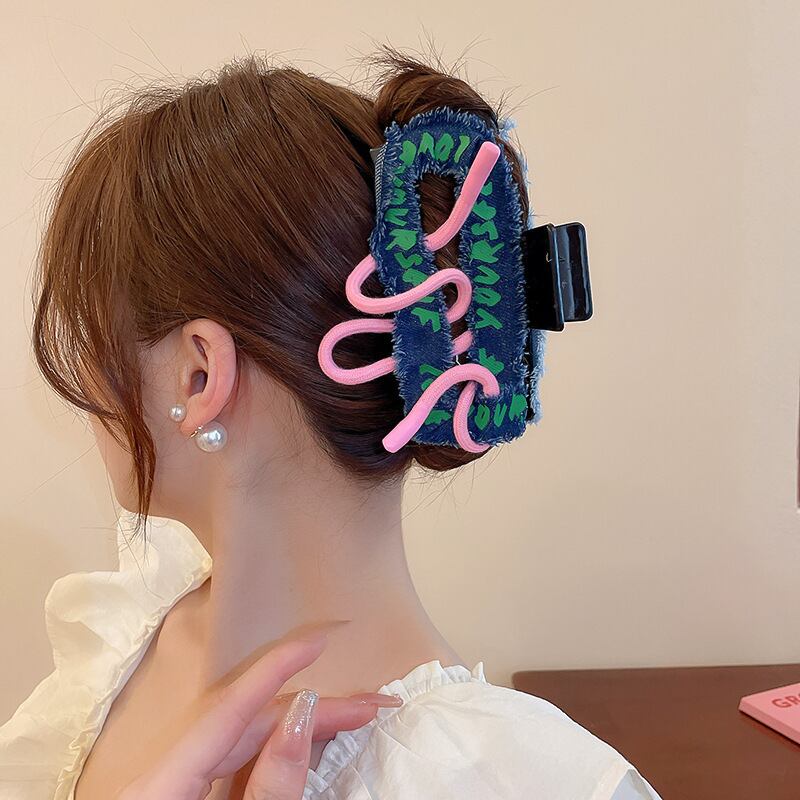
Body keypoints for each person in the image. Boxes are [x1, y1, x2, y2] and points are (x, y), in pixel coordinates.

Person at [0, 45, 663, 799]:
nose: (86, 385)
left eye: (95, 337)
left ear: (200, 375)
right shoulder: (130, 633)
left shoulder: (512, 783)